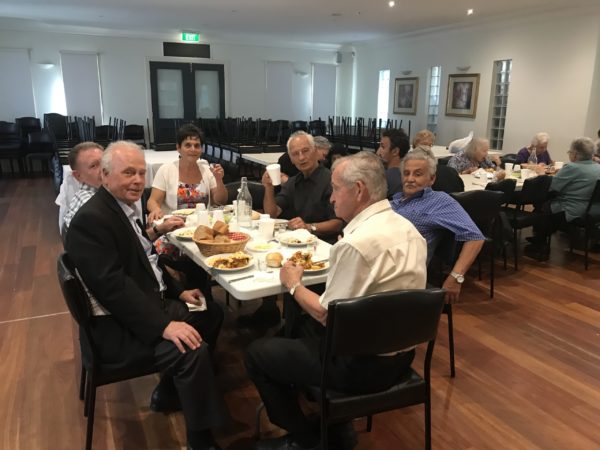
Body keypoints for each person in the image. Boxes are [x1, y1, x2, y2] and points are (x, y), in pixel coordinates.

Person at [245, 151, 427, 450]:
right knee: (297, 327)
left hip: (363, 365)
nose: (331, 198)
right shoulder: (409, 230)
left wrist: (292, 284)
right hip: (403, 354)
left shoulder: (357, 244)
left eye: (336, 189)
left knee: (257, 353)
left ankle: (304, 439)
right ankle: (335, 422)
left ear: (359, 190)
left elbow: (327, 315)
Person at [66, 141, 227, 450]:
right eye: (128, 173)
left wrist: (179, 292)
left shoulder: (118, 208)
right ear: (105, 175)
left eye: (141, 173)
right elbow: (114, 289)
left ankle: (171, 390)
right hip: (115, 330)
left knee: (211, 313)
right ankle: (200, 440)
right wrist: (164, 326)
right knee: (193, 350)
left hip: (141, 305)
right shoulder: (92, 219)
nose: (138, 180)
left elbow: (146, 262)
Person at [239, 132, 344, 328]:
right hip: (299, 245)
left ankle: (295, 327)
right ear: (291, 159)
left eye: (305, 151)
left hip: (325, 246)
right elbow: (272, 212)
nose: (301, 157)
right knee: (267, 256)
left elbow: (339, 222)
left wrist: (310, 227)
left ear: (316, 152)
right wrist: (268, 187)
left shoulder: (330, 180)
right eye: (296, 154)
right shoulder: (295, 182)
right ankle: (270, 312)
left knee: (280, 263)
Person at [391, 148, 484, 303]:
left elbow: (475, 237)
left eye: (418, 174)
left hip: (401, 276)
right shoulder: (396, 198)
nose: (410, 179)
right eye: (406, 173)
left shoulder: (439, 202)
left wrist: (456, 277)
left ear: (432, 179)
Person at [524, 137, 600, 261]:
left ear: (575, 154)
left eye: (570, 152)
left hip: (570, 210)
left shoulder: (572, 167)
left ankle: (540, 245)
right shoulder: (597, 168)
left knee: (542, 206)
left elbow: (551, 187)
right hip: (591, 211)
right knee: (545, 205)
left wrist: (541, 174)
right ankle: (539, 238)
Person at [147, 124, 227, 224]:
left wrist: (219, 180)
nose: (193, 149)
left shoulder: (207, 170)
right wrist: (155, 209)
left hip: (203, 223)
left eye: (197, 146)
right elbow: (152, 201)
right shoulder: (166, 170)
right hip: (174, 224)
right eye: (188, 145)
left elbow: (220, 201)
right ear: (178, 148)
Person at [62, 142, 104, 233]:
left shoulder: (103, 192)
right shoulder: (91, 205)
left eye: (105, 162)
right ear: (78, 176)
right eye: (94, 166)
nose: (104, 169)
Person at [376, 128, 410, 198]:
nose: (378, 152)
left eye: (382, 147)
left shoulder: (385, 178)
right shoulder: (406, 175)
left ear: (395, 151)